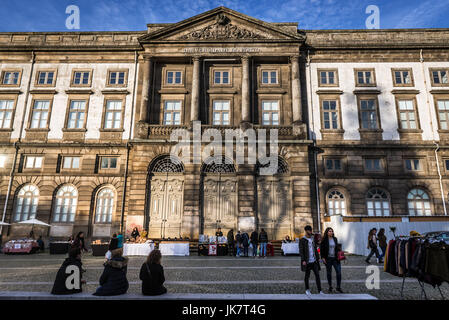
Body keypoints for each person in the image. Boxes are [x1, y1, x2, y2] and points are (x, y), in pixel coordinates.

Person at [299, 225, 323, 295]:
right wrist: (303, 260)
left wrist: (318, 258)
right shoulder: (302, 240)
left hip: (314, 261)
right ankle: (307, 289)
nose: (311, 232)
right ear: (306, 231)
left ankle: (320, 290)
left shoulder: (313, 239)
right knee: (307, 276)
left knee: (317, 275)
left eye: (311, 230)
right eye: (309, 230)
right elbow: (301, 251)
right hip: (307, 261)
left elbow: (316, 248)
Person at [320, 227, 343, 293]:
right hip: (328, 259)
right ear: (327, 232)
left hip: (335, 258)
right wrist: (323, 258)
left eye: (332, 231)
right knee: (329, 273)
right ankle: (330, 286)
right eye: (330, 231)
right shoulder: (324, 240)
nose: (331, 232)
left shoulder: (335, 239)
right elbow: (321, 249)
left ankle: (338, 287)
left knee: (339, 272)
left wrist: (340, 253)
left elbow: (337, 248)